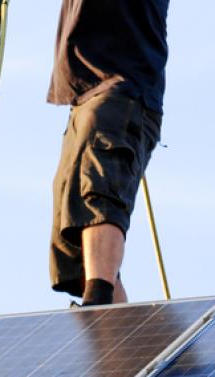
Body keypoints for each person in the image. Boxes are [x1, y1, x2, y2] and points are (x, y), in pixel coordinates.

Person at [49, 0, 170, 307]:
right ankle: (117, 333)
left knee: (98, 194)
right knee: (72, 223)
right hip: (85, 97)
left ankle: (98, 301)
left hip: (120, 91)